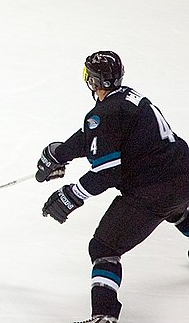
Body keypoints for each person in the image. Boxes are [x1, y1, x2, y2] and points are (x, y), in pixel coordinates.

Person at [35, 50, 189, 323]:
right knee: (174, 209)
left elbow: (107, 173)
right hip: (184, 176)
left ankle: (104, 317)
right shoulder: (131, 98)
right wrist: (61, 154)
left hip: (151, 190)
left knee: (104, 247)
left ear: (92, 81)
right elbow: (92, 136)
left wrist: (70, 195)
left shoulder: (103, 113)